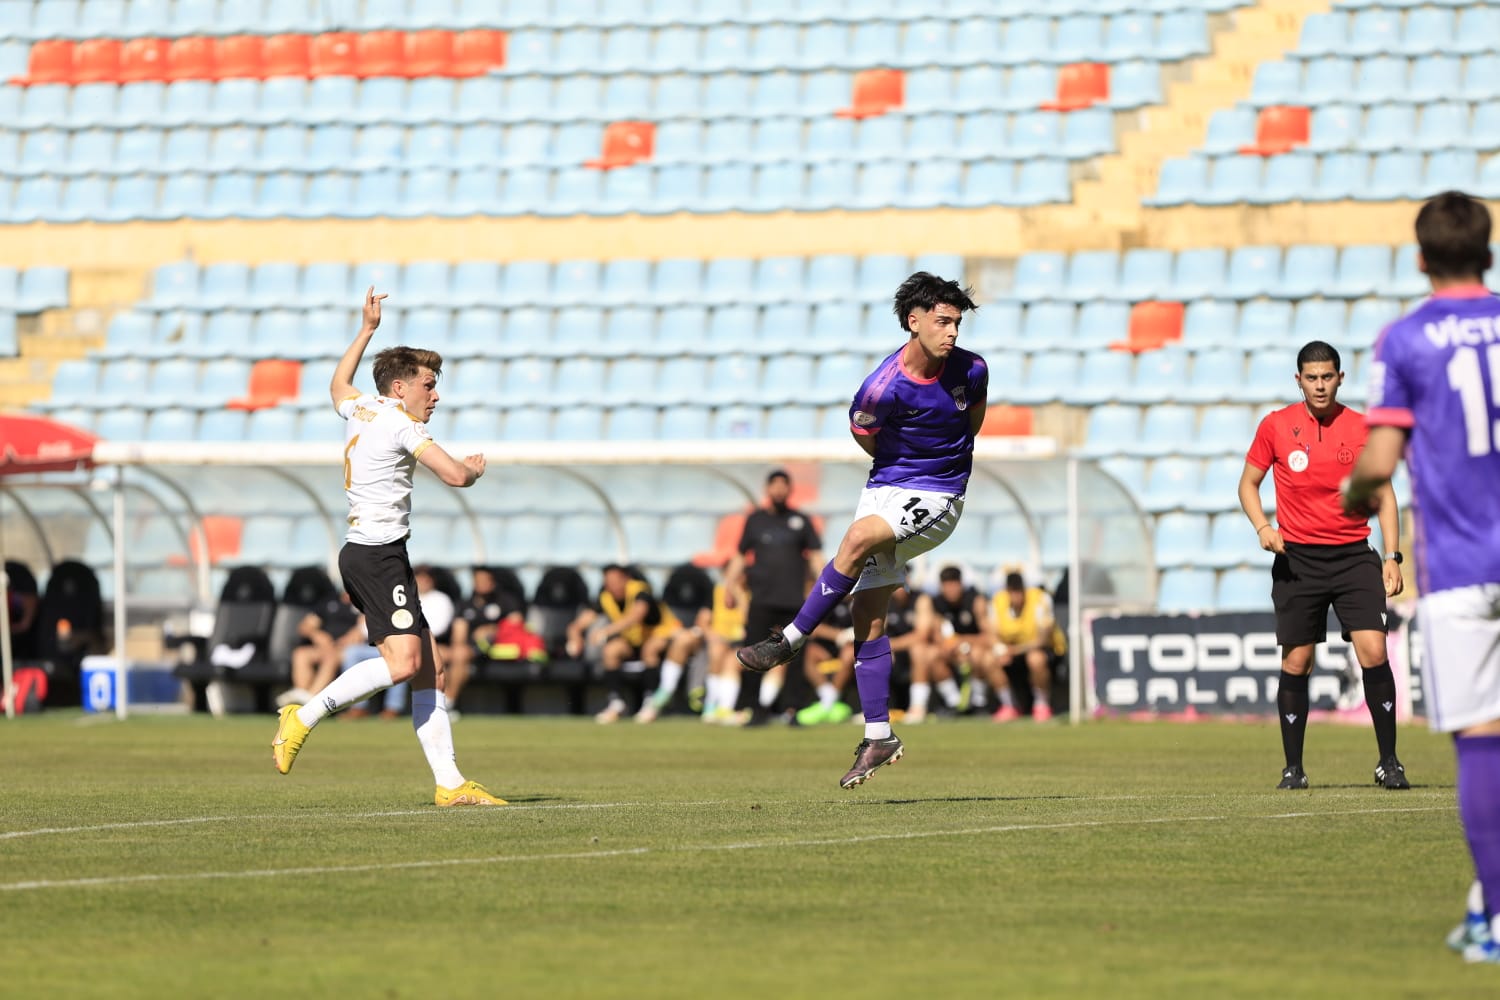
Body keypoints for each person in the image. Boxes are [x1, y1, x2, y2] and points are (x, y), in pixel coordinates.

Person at [737, 271, 986, 788]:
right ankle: (879, 735)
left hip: (940, 494)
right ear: (913, 322)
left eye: (957, 322)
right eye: (943, 321)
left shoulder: (973, 370)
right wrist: (900, 467)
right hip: (886, 487)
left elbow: (971, 424)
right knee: (867, 614)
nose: (953, 332)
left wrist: (941, 466)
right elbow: (866, 438)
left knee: (853, 540)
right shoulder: (879, 388)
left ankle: (789, 639)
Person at [270, 286, 505, 807]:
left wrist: (367, 330)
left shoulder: (364, 409)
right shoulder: (398, 422)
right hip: (376, 556)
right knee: (402, 665)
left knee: (431, 668)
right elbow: (454, 477)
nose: (436, 396)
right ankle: (302, 716)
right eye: (428, 385)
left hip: (376, 553)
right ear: (400, 388)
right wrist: (472, 469)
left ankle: (450, 784)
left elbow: (336, 384)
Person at [1342, 191, 1500, 963]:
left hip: (1466, 569)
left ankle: (1496, 915)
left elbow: (1378, 461)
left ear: (1421, 257)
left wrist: (1351, 493)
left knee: (1482, 740)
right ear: (1490, 249)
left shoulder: (1405, 339)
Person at [1238, 339, 1407, 791]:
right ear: (1298, 380)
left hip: (1354, 555)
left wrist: (1391, 556)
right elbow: (1248, 485)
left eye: (1327, 377)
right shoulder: (1275, 426)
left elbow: (1385, 496)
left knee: (1374, 651)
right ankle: (1293, 768)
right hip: (1298, 561)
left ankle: (1389, 762)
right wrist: (1262, 528)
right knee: (1298, 661)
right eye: (1311, 378)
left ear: (1340, 378)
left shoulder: (1361, 427)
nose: (1319, 385)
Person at [721, 469, 824, 724]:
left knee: (796, 658)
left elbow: (815, 556)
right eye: (774, 485)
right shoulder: (755, 520)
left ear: (789, 490)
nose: (779, 489)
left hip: (793, 601)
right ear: (767, 489)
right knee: (753, 655)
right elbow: (739, 556)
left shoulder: (801, 520)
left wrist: (826, 585)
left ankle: (793, 710)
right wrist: (728, 585)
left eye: (783, 485)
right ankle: (753, 709)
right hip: (761, 600)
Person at [565, 564, 693, 724]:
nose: (612, 586)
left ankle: (651, 701)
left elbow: (636, 615)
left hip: (661, 634)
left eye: (615, 581)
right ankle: (616, 702)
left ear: (626, 579)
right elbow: (582, 621)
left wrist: (606, 631)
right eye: (608, 582)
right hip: (633, 641)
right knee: (611, 650)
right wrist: (574, 634)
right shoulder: (606, 596)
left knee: (650, 649)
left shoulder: (640, 591)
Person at [372, 565, 458, 720]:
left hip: (426, 644)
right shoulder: (398, 598)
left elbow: (439, 627)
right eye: (419, 577)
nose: (423, 581)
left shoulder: (441, 599)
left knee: (406, 661)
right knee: (353, 653)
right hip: (388, 644)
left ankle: (395, 708)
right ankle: (355, 708)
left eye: (426, 578)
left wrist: (408, 638)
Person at [908, 565, 986, 723]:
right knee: (931, 654)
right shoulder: (935, 603)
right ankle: (955, 703)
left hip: (974, 652)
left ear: (961, 584)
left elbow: (989, 637)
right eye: (947, 584)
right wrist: (947, 646)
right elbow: (936, 634)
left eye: (954, 584)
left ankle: (979, 703)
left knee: (979, 655)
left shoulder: (976, 600)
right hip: (949, 654)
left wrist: (963, 642)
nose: (951, 589)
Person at [986, 572, 1065, 723]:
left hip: (1046, 651)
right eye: (1012, 592)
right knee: (988, 659)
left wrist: (1014, 650)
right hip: (1011, 652)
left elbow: (1042, 639)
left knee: (1036, 658)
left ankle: (1041, 704)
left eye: (1019, 591)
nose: (1017, 597)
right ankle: (1009, 705)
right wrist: (1000, 650)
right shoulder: (997, 601)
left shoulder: (1040, 599)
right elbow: (991, 633)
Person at [277, 590, 364, 710]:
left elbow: (361, 630)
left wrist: (345, 641)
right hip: (324, 647)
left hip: (345, 650)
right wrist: (316, 634)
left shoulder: (363, 603)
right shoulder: (329, 601)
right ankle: (301, 697)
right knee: (301, 654)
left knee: (331, 658)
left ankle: (310, 700)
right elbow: (305, 626)